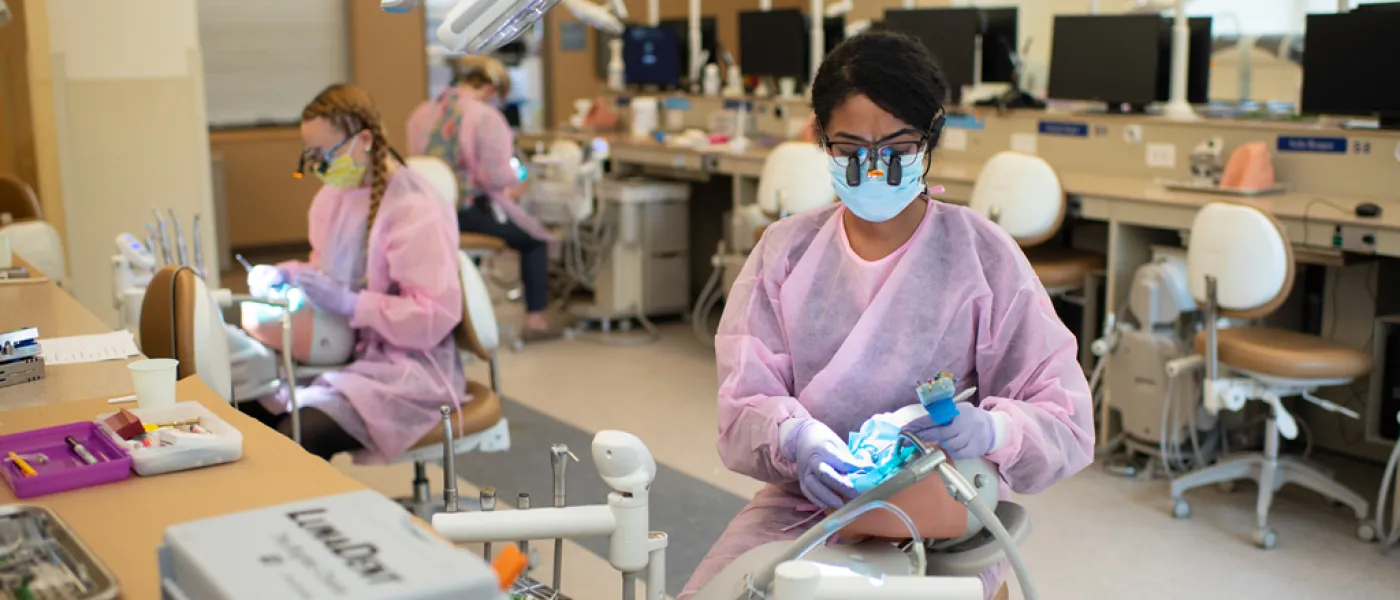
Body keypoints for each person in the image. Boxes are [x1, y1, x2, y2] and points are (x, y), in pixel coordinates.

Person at [679, 32, 1094, 600]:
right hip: (805, 504)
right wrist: (797, 438)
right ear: (821, 140)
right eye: (850, 150)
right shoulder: (787, 253)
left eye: (895, 149)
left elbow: (1062, 414)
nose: (873, 171)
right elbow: (744, 403)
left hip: (937, 511)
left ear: (931, 137)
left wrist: (991, 429)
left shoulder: (980, 255)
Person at [241, 83, 467, 462]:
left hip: (410, 367)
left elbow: (433, 315)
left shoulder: (415, 207)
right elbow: (327, 269)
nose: (317, 165)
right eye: (310, 153)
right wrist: (289, 274)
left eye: (324, 153)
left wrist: (351, 303)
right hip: (348, 350)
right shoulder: (333, 197)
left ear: (363, 140)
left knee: (298, 435)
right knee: (250, 410)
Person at [407, 56, 564, 342]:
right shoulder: (485, 117)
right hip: (467, 211)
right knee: (534, 241)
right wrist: (518, 185)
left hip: (427, 212)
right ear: (492, 88)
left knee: (462, 252)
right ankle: (536, 320)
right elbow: (497, 176)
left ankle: (461, 315)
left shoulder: (423, 112)